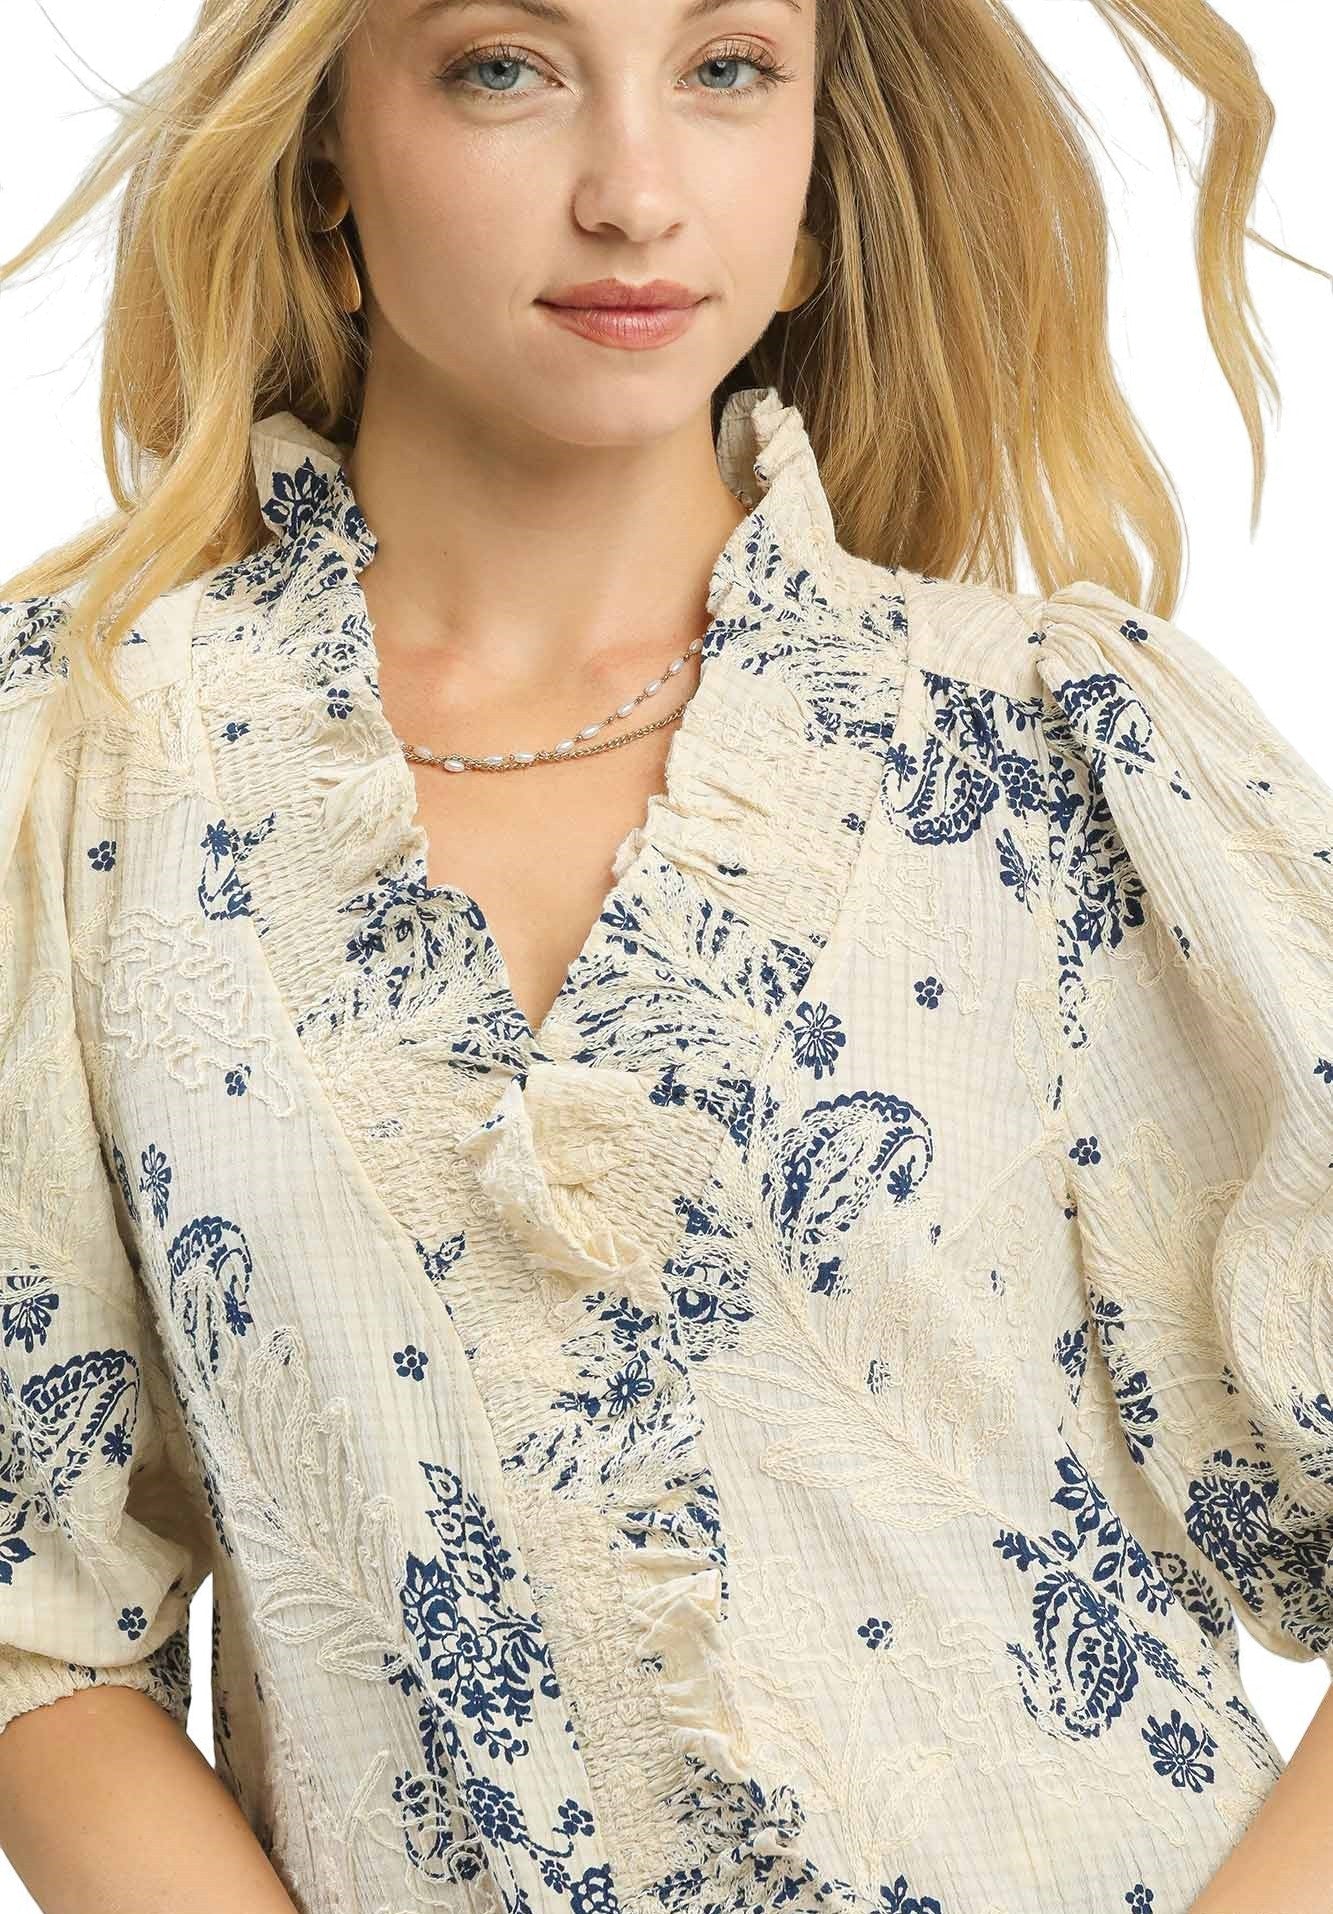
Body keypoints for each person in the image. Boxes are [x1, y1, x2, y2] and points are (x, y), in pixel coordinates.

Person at [0, 1, 1329, 1911]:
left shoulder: (1048, 753)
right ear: (320, 179)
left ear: (806, 192)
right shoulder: (85, 776)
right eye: (503, 67)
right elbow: (37, 1613)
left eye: (725, 69)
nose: (633, 195)